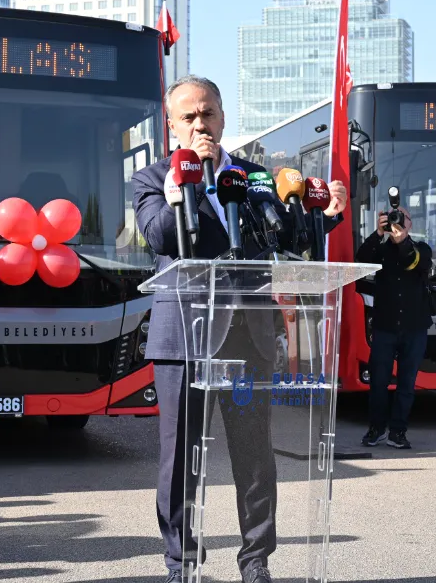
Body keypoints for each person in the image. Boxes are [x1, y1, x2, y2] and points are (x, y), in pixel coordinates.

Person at [131, 75, 348, 583]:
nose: (200, 124)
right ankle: (181, 562)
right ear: (172, 125)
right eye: (188, 116)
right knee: (180, 460)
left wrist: (326, 217)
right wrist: (182, 185)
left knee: (254, 460)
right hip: (184, 339)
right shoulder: (151, 178)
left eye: (208, 113)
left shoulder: (254, 177)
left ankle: (256, 563)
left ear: (224, 117)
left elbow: (287, 238)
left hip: (247, 338)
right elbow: (160, 236)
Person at [355, 205, 433, 450]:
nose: (398, 222)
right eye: (393, 218)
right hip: (385, 326)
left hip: (414, 327)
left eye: (403, 218)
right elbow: (361, 260)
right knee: (378, 382)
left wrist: (401, 242)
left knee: (406, 383)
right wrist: (378, 234)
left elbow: (417, 264)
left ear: (410, 223)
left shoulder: (421, 249)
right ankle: (376, 429)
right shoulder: (380, 250)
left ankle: (398, 432)